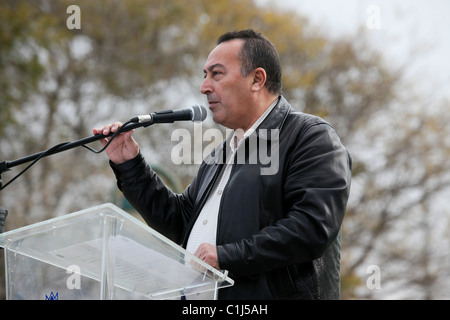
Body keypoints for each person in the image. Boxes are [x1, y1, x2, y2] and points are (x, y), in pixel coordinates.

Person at [93, 29, 352, 300]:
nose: (204, 87)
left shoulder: (309, 137)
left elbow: (312, 227)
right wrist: (129, 162)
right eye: (204, 75)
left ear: (257, 79)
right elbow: (180, 223)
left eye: (216, 74)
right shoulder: (219, 155)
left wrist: (227, 256)